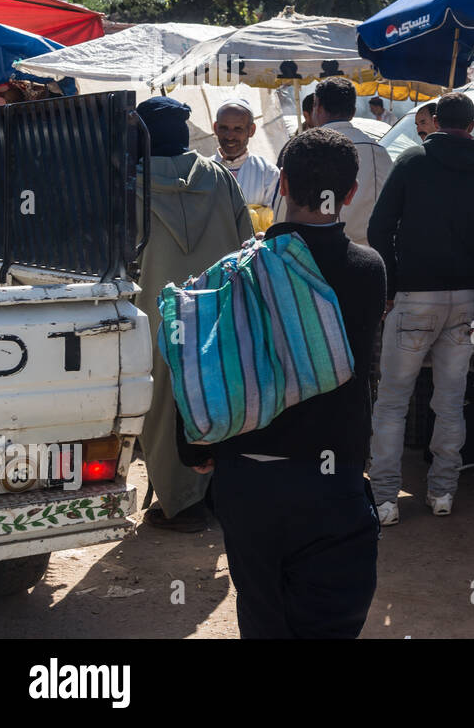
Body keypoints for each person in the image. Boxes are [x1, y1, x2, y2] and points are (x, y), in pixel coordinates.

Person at [177, 128, 386, 638]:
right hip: (330, 481)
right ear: (351, 193)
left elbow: (202, 367)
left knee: (262, 612)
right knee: (328, 620)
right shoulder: (367, 269)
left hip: (248, 483)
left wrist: (194, 447)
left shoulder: (233, 273)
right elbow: (366, 374)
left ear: (282, 183)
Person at [367, 91, 474, 522]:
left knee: (392, 402)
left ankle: (386, 500)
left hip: (412, 300)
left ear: (430, 122)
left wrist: (391, 284)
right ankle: (443, 493)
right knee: (450, 402)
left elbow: (378, 229)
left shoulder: (412, 163)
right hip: (464, 304)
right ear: (471, 127)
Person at [134, 96, 252, 532]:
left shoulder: (130, 186)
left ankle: (180, 503)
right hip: (216, 316)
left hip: (156, 320)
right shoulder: (221, 178)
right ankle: (220, 493)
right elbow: (247, 249)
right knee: (218, 395)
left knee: (162, 405)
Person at [312, 77, 392, 247]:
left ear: (317, 106)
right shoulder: (379, 152)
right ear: (353, 111)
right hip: (375, 256)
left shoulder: (307, 150)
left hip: (321, 256)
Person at [212, 98, 280, 231]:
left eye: (238, 129)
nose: (230, 136)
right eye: (224, 128)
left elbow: (275, 220)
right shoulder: (201, 170)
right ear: (215, 128)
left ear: (251, 130)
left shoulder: (268, 173)